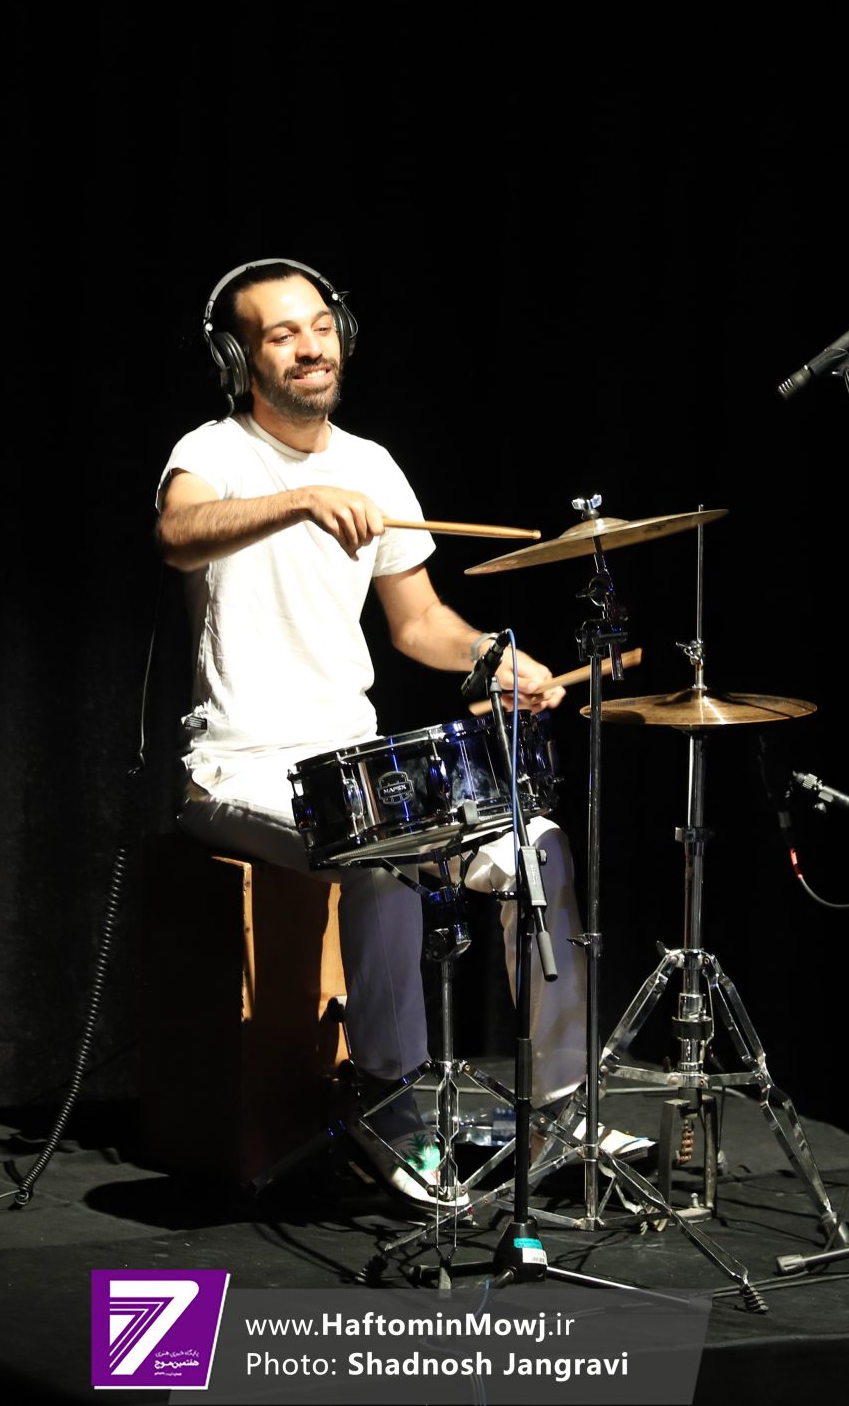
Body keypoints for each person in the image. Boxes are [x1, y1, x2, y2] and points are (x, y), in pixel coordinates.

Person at [156, 259, 592, 1208]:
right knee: (383, 854)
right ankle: (387, 1100)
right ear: (238, 358)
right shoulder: (212, 453)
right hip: (239, 770)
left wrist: (491, 657)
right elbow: (179, 533)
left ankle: (564, 1107)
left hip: (352, 766)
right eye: (282, 334)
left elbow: (417, 622)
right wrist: (298, 498)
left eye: (321, 326)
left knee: (536, 845)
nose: (311, 347)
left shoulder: (370, 462)